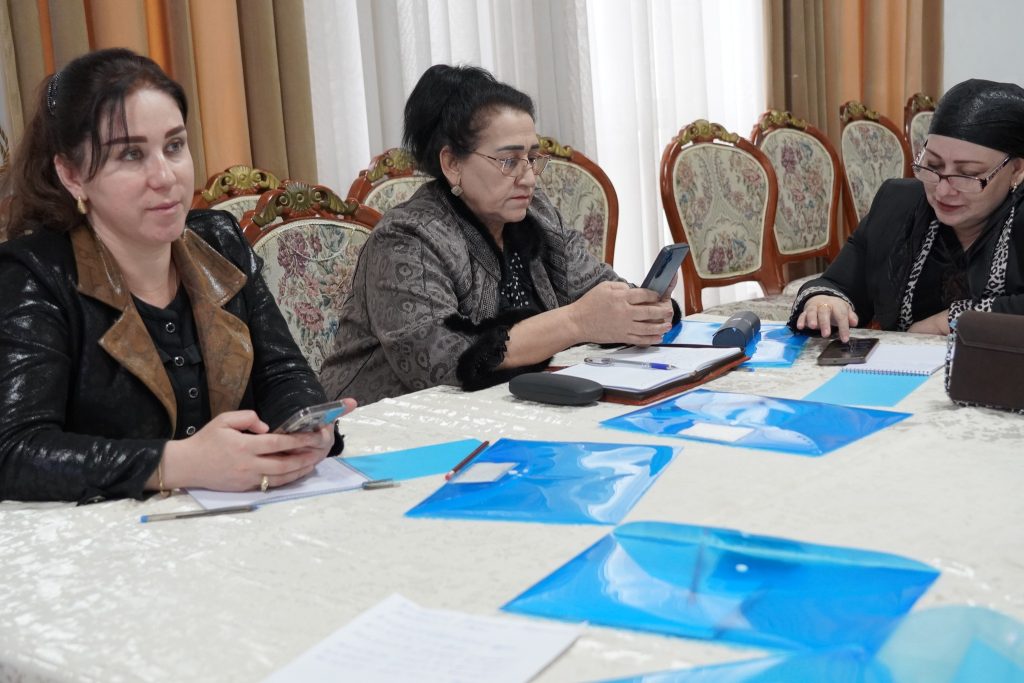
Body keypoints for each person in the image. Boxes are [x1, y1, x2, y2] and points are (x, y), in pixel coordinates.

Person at [0, 49, 352, 503]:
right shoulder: (33, 274)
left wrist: (306, 427)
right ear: (71, 175)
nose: (165, 176)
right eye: (131, 154)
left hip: (239, 517)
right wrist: (179, 463)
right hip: (113, 534)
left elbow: (281, 372)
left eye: (174, 146)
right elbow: (15, 451)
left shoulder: (220, 241)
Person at [320, 65, 678, 404]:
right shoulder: (407, 238)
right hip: (386, 426)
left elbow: (598, 290)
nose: (529, 178)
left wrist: (642, 309)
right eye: (509, 161)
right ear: (452, 164)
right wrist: (576, 322)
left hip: (510, 409)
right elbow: (440, 362)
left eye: (532, 158)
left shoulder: (538, 215)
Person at [790, 79, 1024, 342]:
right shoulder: (898, 204)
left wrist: (951, 320)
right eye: (933, 166)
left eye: (967, 174)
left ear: (1017, 170)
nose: (942, 190)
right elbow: (837, 284)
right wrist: (825, 302)